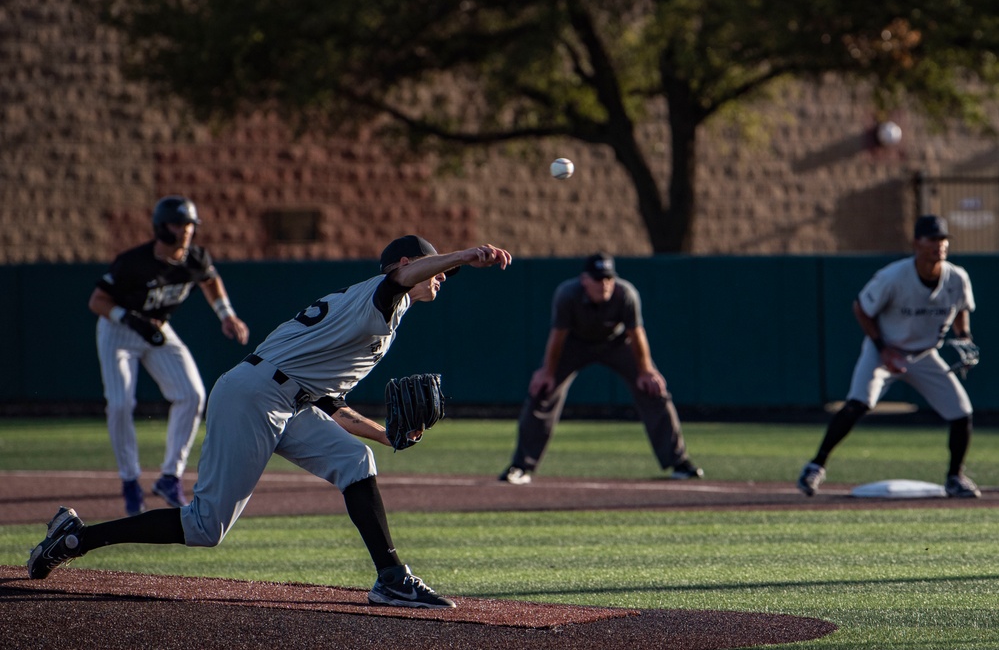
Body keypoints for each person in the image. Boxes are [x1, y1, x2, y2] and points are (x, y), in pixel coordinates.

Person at [30, 234, 512, 610]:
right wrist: (466, 254)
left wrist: (385, 435)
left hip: (285, 397)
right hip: (254, 396)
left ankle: (391, 579)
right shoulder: (379, 297)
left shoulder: (371, 311)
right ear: (406, 266)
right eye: (435, 268)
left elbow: (329, 405)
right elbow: (399, 281)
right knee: (205, 526)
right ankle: (77, 537)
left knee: (354, 458)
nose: (443, 277)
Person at [88, 196, 250, 516]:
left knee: (192, 395)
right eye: (179, 224)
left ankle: (170, 476)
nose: (186, 231)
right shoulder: (133, 262)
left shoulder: (195, 258)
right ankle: (130, 481)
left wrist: (226, 314)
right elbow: (97, 301)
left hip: (157, 328)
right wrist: (131, 319)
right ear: (161, 227)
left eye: (189, 224)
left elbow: (210, 279)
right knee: (120, 404)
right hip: (118, 329)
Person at [797, 215, 979, 498]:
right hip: (884, 350)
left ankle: (955, 477)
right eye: (932, 239)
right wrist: (883, 348)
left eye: (943, 239)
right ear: (916, 243)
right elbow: (861, 308)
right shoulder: (894, 276)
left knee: (961, 413)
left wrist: (964, 336)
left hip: (924, 354)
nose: (939, 245)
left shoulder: (957, 278)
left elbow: (962, 308)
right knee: (858, 403)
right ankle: (815, 465)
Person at [499, 252, 702, 485]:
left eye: (608, 279)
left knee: (653, 390)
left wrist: (646, 371)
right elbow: (557, 336)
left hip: (615, 344)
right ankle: (521, 466)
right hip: (574, 344)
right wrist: (547, 371)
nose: (604, 285)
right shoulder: (568, 294)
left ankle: (679, 462)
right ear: (585, 280)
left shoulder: (626, 294)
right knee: (543, 390)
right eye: (598, 279)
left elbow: (636, 334)